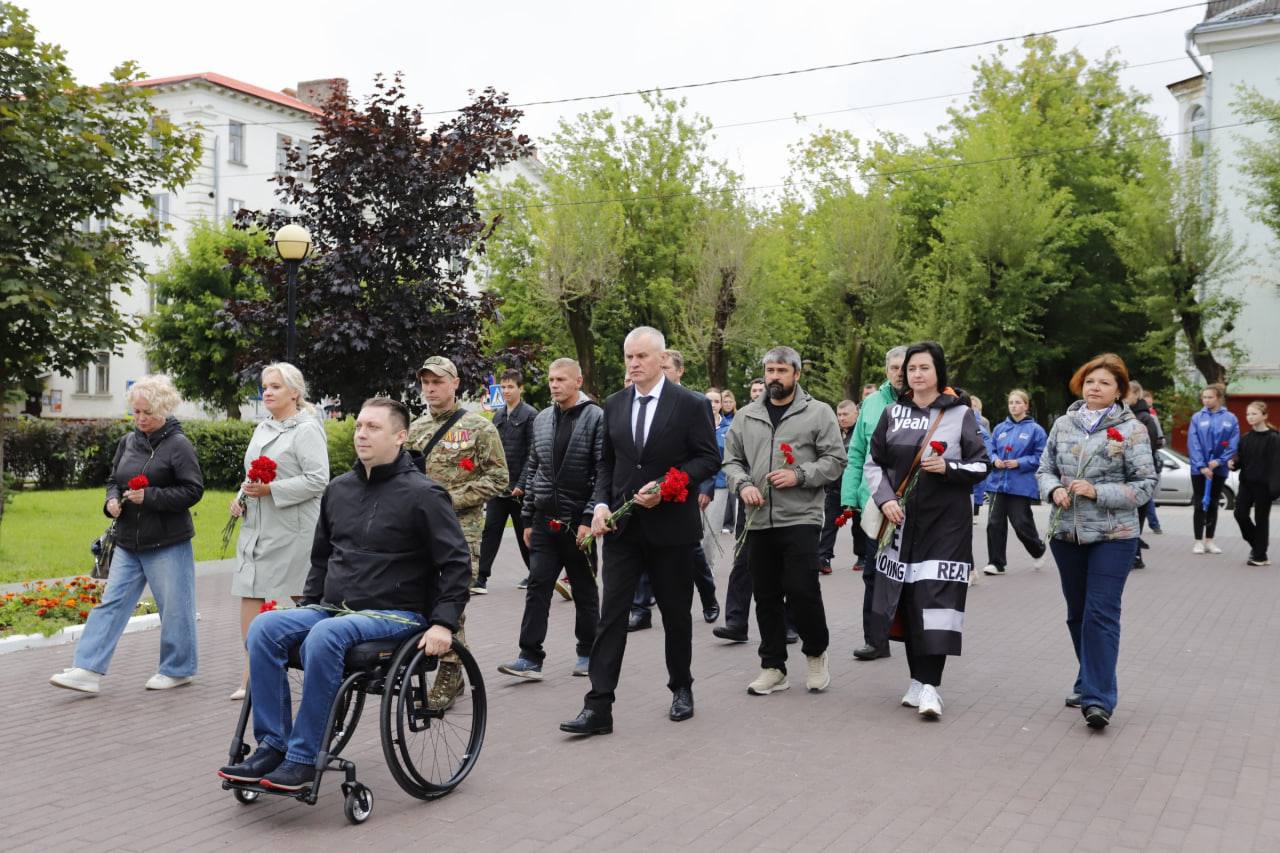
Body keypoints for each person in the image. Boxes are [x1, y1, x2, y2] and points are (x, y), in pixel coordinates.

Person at [217, 397, 471, 790]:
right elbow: (321, 556)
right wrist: (312, 599)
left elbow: (456, 563)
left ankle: (302, 758)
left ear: (400, 436)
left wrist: (443, 623)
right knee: (265, 628)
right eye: (358, 427)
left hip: (397, 614)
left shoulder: (424, 495)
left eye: (373, 428)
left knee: (325, 636)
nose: (361, 434)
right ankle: (272, 745)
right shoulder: (340, 490)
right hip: (335, 608)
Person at [559, 327, 720, 735]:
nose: (633, 364)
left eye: (642, 357)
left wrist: (669, 486)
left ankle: (681, 687)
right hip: (623, 529)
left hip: (671, 530)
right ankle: (598, 707)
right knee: (611, 615)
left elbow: (707, 459)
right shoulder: (613, 404)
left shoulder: (690, 404)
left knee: (675, 613)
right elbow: (607, 466)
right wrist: (598, 505)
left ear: (662, 359)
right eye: (629, 356)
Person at [50, 375, 204, 694]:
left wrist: (151, 498)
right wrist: (110, 502)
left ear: (163, 409)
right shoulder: (128, 441)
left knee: (175, 607)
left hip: (167, 542)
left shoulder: (179, 445)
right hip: (127, 542)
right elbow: (114, 480)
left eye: (146, 412)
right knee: (112, 603)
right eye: (135, 412)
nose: (140, 418)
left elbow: (193, 490)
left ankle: (178, 669)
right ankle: (87, 669)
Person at [864, 342, 990, 719]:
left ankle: (932, 686)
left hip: (946, 527)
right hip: (901, 524)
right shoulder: (892, 412)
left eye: (924, 368)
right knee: (906, 599)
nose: (917, 375)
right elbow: (874, 464)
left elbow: (983, 466)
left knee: (936, 602)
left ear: (939, 372)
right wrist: (886, 499)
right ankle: (916, 680)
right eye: (911, 368)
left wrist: (949, 469)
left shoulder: (962, 415)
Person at [1039, 354, 1156, 729]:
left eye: (1105, 383)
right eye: (1090, 381)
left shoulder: (1132, 430)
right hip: (1066, 533)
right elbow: (1044, 469)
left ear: (1119, 391)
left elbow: (1145, 485)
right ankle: (1089, 677)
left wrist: (1097, 491)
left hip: (1113, 536)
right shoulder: (1062, 423)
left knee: (1100, 613)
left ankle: (1098, 699)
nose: (1095, 388)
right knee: (1077, 614)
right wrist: (1054, 489)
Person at [722, 347, 845, 696]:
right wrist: (743, 485)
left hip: (801, 517)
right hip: (758, 518)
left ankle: (816, 652)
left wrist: (800, 475)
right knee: (766, 594)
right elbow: (731, 462)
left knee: (802, 589)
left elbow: (836, 460)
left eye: (781, 370)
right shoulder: (746, 416)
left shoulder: (818, 413)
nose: (774, 377)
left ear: (796, 374)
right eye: (769, 370)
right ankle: (773, 666)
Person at [406, 356, 508, 709]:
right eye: (426, 382)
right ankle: (443, 665)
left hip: (460, 532)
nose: (431, 388)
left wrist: (449, 501)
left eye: (438, 381)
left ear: (455, 384)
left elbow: (499, 478)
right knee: (423, 599)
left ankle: (450, 675)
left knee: (452, 603)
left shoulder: (480, 428)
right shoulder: (415, 429)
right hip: (418, 533)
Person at [228, 363, 330, 700]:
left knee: (304, 594)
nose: (266, 392)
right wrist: (241, 497)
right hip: (257, 524)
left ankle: (328, 655)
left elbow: (319, 480)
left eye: (274, 387)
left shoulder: (307, 429)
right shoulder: (263, 427)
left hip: (293, 528)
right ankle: (251, 672)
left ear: (294, 393)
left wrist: (273, 491)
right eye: (264, 386)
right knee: (250, 589)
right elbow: (252, 473)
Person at [498, 358, 603, 680]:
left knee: (584, 590)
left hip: (577, 521)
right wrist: (528, 518)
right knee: (538, 586)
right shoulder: (542, 419)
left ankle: (588, 652)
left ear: (578, 381)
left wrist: (588, 517)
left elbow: (602, 472)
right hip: (544, 519)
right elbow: (533, 468)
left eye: (561, 379)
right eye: (550, 380)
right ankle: (530, 656)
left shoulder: (596, 417)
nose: (554, 385)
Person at [630, 349, 719, 629]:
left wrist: (702, 488)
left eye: (667, 367)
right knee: (643, 551)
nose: (662, 371)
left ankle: (708, 596)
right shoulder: (636, 401)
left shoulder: (692, 403)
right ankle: (641, 608)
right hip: (644, 497)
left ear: (678, 371)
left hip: (680, 496)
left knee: (692, 553)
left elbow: (706, 455)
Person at [840, 346, 907, 661]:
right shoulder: (871, 404)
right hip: (874, 504)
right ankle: (875, 640)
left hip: (912, 502)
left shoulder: (925, 403)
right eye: (894, 367)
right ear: (886, 370)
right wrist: (849, 496)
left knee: (910, 573)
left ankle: (912, 635)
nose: (900, 372)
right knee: (874, 572)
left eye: (904, 366)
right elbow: (856, 454)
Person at [476, 369, 536, 594]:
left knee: (524, 534)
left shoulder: (531, 415)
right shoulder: (498, 416)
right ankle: (480, 579)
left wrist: (522, 484)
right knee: (490, 531)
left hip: (520, 490)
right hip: (498, 488)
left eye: (511, 387)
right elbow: (491, 452)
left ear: (521, 388)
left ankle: (536, 574)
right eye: (503, 387)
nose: (506, 391)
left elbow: (534, 454)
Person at [981, 389, 1047, 576]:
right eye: (1011, 403)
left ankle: (1038, 549)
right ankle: (996, 563)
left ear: (1026, 406)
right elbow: (991, 450)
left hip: (1021, 484)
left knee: (1021, 523)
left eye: (1018, 402)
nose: (1014, 406)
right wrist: (995, 460)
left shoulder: (1036, 430)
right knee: (994, 523)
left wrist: (1020, 462)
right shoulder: (1000, 428)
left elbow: (1042, 456)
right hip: (998, 483)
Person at [1188, 383, 1240, 555]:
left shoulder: (1230, 418)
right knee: (1199, 503)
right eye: (1204, 397)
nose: (1206, 400)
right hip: (1199, 469)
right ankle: (1197, 541)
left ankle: (1209, 540)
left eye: (1210, 397)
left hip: (1219, 468)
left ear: (1218, 398)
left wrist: (1220, 461)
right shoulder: (1197, 417)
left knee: (1213, 503)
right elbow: (1193, 443)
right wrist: (1202, 466)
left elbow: (1233, 443)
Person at [1231, 401, 1280, 566]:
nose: (1250, 417)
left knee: (1261, 519)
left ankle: (1259, 555)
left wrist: (1275, 489)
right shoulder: (1245, 438)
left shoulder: (1274, 438)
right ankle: (1259, 548)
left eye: (1254, 414)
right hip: (1246, 483)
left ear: (1264, 416)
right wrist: (1234, 464)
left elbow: (1276, 465)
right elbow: (1241, 459)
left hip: (1264, 486)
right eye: (1248, 414)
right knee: (1240, 514)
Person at [818, 400, 864, 574]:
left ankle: (862, 556)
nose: (842, 418)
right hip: (834, 488)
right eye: (839, 415)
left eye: (846, 414)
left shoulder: (860, 433)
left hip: (855, 487)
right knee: (829, 524)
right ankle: (823, 558)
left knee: (859, 526)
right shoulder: (833, 434)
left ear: (856, 414)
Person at [1125, 381, 1163, 569]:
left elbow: (1153, 443)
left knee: (1138, 514)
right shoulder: (1122, 415)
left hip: (1141, 472)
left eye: (1127, 394)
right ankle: (1132, 554)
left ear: (1136, 395)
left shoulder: (1145, 418)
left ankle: (1135, 556)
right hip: (1126, 472)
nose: (1124, 397)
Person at [1143, 390, 1165, 533]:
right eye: (1146, 398)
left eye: (1150, 398)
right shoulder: (1150, 416)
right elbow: (1160, 440)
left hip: (1149, 459)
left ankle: (1154, 524)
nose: (1149, 401)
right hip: (1149, 459)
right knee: (1147, 495)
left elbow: (1160, 440)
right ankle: (1154, 524)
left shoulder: (1151, 415)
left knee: (1147, 495)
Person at [719, 388, 739, 534]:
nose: (727, 404)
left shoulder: (737, 418)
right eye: (724, 401)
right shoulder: (717, 420)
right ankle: (724, 522)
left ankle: (733, 523)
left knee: (733, 493)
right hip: (719, 462)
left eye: (729, 401)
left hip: (733, 460)